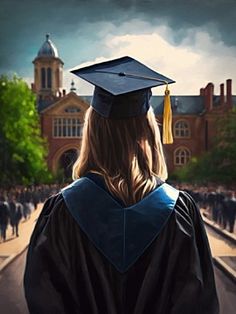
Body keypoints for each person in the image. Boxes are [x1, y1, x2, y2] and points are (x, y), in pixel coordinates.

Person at [24, 56, 219, 314]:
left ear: (92, 131)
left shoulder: (60, 213)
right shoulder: (179, 212)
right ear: (147, 131)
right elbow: (199, 304)